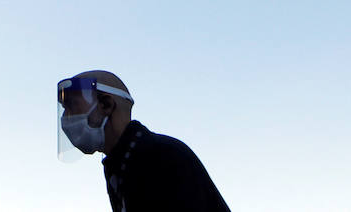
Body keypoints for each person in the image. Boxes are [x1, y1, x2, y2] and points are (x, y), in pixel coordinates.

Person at [57, 70, 231, 211]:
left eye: (71, 106)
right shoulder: (120, 165)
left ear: (106, 104)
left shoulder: (162, 156)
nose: (65, 118)